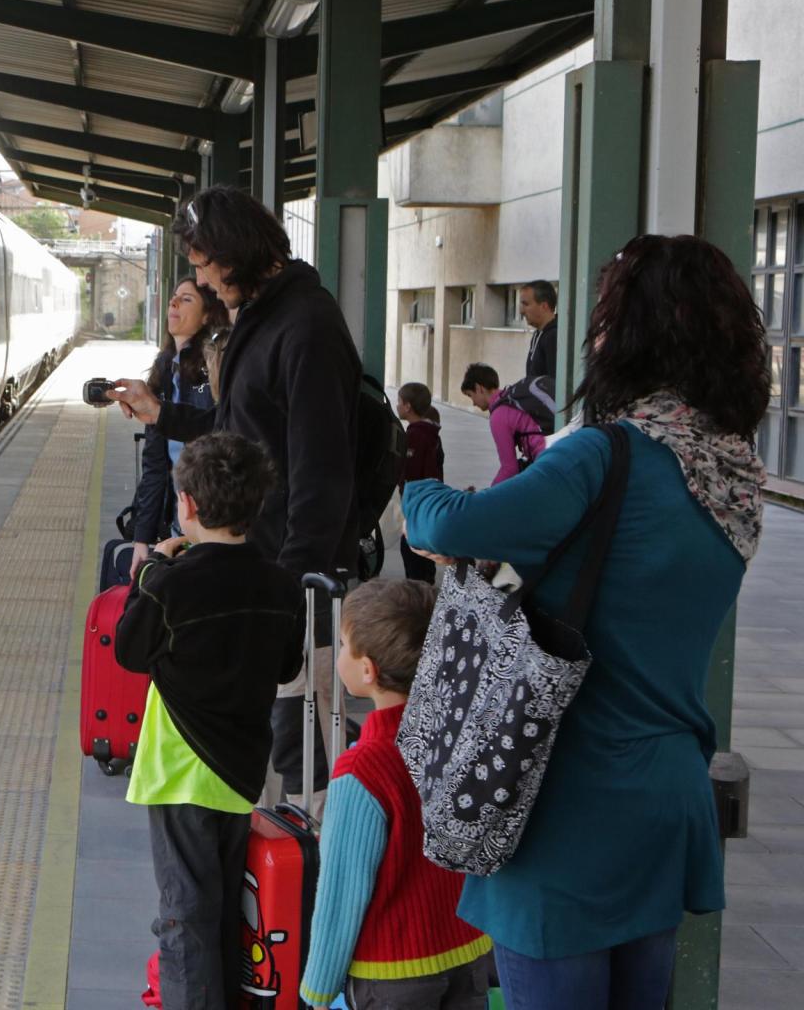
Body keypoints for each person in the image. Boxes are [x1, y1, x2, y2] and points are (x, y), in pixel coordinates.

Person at [402, 234, 769, 1010]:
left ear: (628, 334)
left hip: (567, 796)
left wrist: (420, 496)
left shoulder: (607, 456)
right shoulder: (733, 471)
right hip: (667, 791)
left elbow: (456, 527)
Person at [108, 184, 360, 805]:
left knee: (305, 734)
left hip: (288, 576)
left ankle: (320, 858)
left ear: (234, 253)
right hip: (265, 568)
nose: (200, 279)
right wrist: (160, 415)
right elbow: (237, 431)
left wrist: (295, 591)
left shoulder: (307, 327)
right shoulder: (265, 318)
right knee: (281, 727)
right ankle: (283, 845)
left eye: (201, 264)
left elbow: (322, 471)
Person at [115, 432, 305, 1010]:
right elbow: (284, 667)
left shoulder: (173, 584)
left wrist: (146, 575)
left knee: (184, 917)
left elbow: (127, 650)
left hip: (181, 772)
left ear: (187, 505)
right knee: (224, 910)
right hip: (241, 771)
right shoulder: (279, 584)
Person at [300, 579, 493, 1010]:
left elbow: (341, 894)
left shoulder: (362, 770)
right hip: (468, 951)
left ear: (367, 670)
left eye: (344, 643)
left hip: (391, 976)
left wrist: (316, 990)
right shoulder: (464, 740)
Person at [129, 277, 228, 578]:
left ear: (208, 314)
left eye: (186, 299)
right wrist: (141, 538)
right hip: (177, 522)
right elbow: (155, 464)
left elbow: (218, 441)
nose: (173, 303)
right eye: (174, 297)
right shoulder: (164, 368)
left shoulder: (213, 370)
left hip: (213, 526)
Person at [460, 363, 545, 485]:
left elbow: (510, 468)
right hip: (556, 452)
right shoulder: (511, 397)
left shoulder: (498, 415)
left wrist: (487, 497)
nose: (473, 403)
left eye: (470, 395)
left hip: (546, 464)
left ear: (479, 388)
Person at [395, 382, 444, 583]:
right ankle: (426, 590)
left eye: (399, 402)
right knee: (423, 552)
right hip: (429, 503)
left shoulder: (416, 436)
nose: (397, 406)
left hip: (418, 503)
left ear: (407, 406)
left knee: (411, 550)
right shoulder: (431, 434)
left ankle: (419, 594)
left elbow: (412, 472)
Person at [520, 280, 558, 381]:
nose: (521, 311)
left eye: (526, 304)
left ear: (544, 306)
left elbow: (553, 384)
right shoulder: (538, 334)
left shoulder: (554, 336)